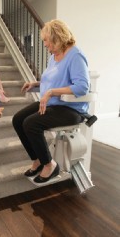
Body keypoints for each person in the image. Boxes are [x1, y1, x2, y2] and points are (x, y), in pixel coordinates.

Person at [12, 19, 90, 184]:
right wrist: (37, 84)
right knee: (18, 119)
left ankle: (50, 165)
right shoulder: (53, 57)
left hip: (71, 109)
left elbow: (82, 86)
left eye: (46, 40)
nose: (45, 44)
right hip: (54, 104)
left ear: (57, 37)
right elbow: (55, 80)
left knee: (30, 123)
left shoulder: (75, 55)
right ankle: (38, 159)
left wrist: (51, 92)